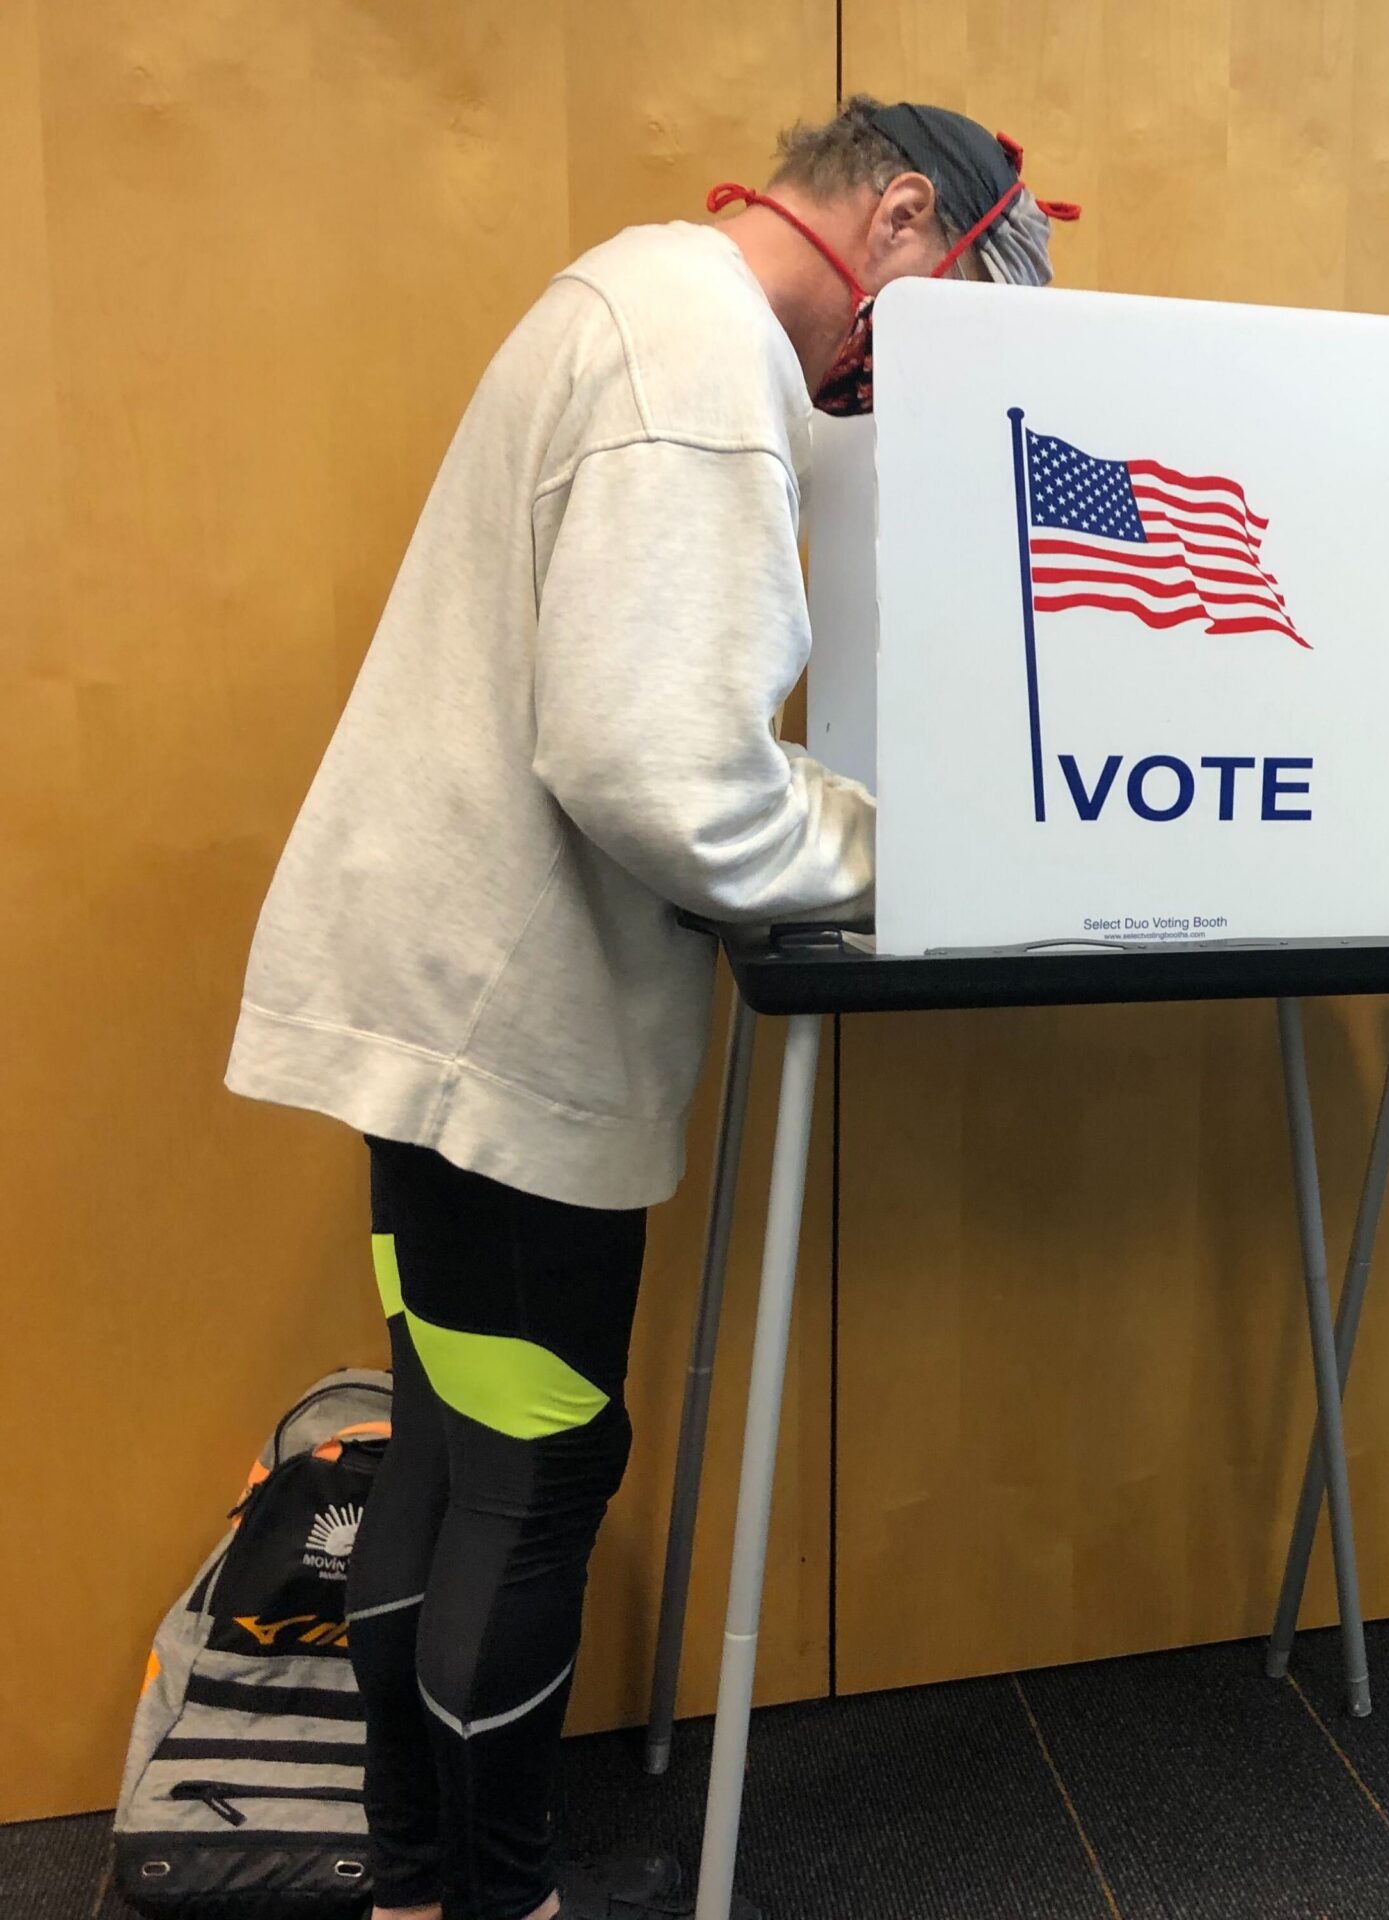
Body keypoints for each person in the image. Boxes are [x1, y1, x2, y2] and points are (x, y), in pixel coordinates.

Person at [223, 96, 1074, 1920]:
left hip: (437, 993)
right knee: (533, 1470)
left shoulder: (638, 296)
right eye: (923, 341)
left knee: (454, 1445)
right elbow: (658, 772)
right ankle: (499, 1893)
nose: (876, 395)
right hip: (507, 1014)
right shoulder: (704, 366)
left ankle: (411, 1879)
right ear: (905, 216)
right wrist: (907, 843)